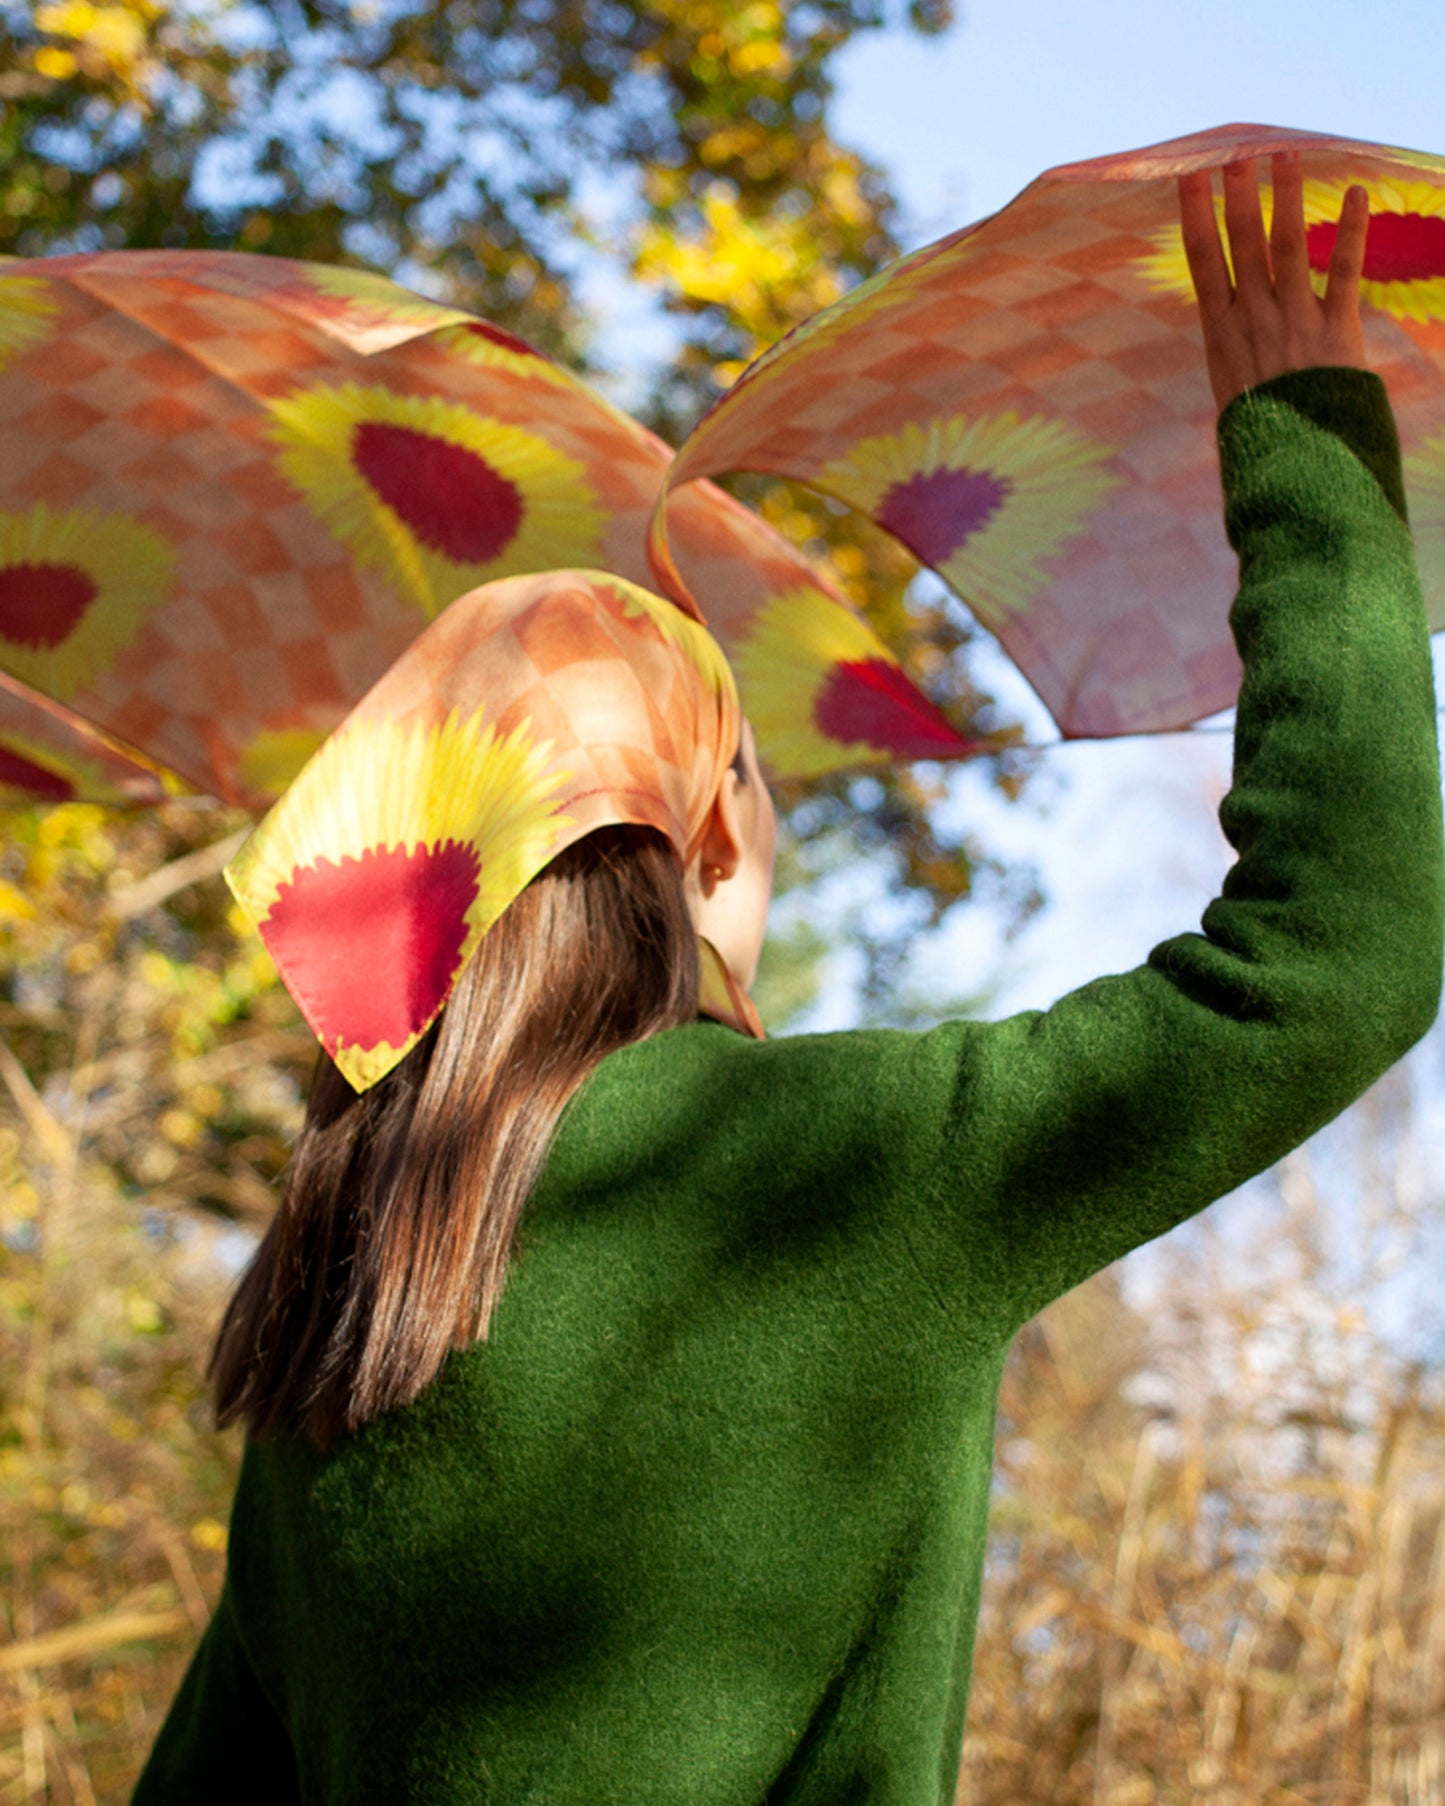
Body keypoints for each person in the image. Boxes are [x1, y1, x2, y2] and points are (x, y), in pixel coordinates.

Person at [131, 155, 1443, 1804]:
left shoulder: (342, 1298)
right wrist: (1306, 447)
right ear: (702, 843)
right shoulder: (850, 1169)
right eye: (757, 781)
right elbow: (1342, 953)